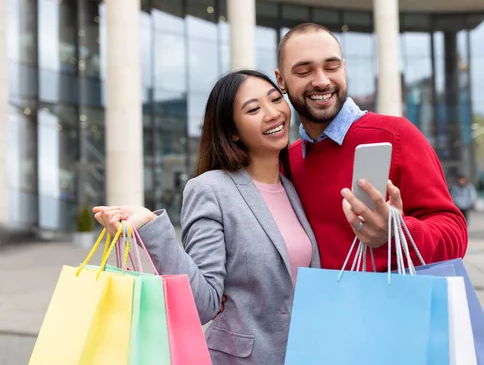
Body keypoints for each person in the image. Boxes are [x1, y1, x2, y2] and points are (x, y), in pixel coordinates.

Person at [93, 70, 321, 365]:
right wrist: (151, 227)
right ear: (233, 131)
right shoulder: (211, 189)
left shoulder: (291, 187)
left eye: (276, 99)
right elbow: (202, 304)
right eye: (253, 109)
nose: (272, 113)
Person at [274, 23, 468, 271]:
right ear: (281, 80)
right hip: (318, 308)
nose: (322, 81)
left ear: (344, 68)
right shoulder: (287, 163)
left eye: (331, 67)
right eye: (304, 72)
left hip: (392, 305)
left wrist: (398, 233)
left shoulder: (397, 136)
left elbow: (456, 237)